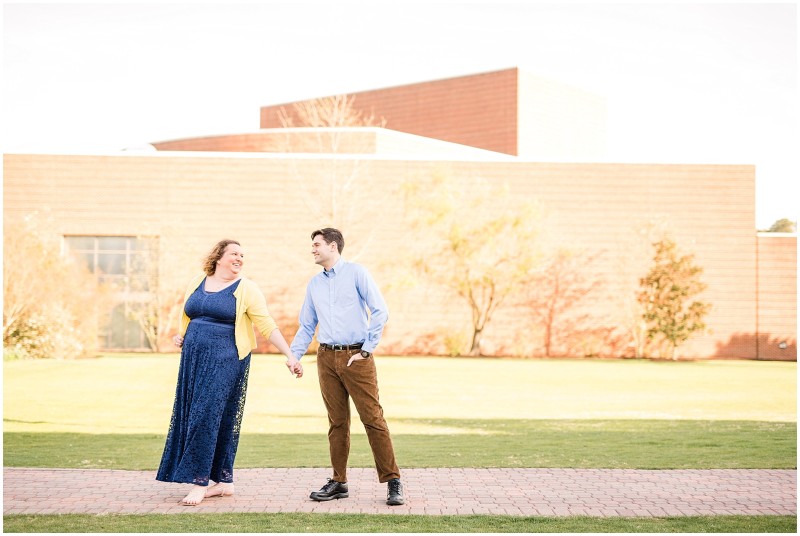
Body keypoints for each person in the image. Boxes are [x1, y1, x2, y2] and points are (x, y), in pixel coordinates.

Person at [156, 239, 303, 506]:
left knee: (206, 415)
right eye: (234, 253)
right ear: (219, 257)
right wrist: (183, 336)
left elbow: (266, 324)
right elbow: (190, 316)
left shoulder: (247, 288)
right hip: (194, 361)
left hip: (226, 360)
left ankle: (200, 482)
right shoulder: (197, 281)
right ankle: (223, 482)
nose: (239, 258)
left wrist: (290, 355)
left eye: (242, 255)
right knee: (198, 415)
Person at [290, 228, 404, 506]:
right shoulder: (314, 285)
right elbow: (307, 325)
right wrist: (294, 355)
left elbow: (380, 311)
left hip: (357, 357)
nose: (313, 249)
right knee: (337, 422)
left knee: (373, 419)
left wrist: (366, 350)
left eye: (317, 245)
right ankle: (339, 482)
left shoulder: (357, 273)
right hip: (326, 358)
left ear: (332, 246)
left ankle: (393, 481)